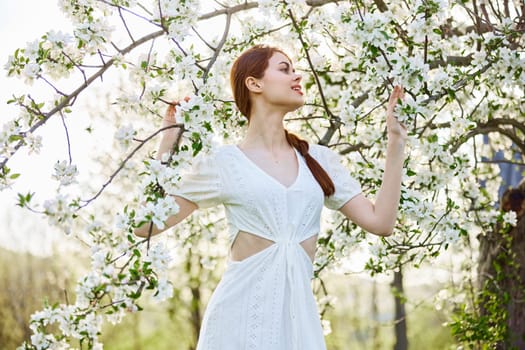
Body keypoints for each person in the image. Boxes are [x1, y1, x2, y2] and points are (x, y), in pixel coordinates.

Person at [135, 44, 406, 350]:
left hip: (298, 327)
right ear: (254, 83)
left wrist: (396, 140)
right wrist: (166, 145)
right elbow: (146, 225)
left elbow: (381, 222)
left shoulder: (319, 160)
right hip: (235, 327)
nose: (297, 75)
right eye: (284, 69)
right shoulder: (223, 163)